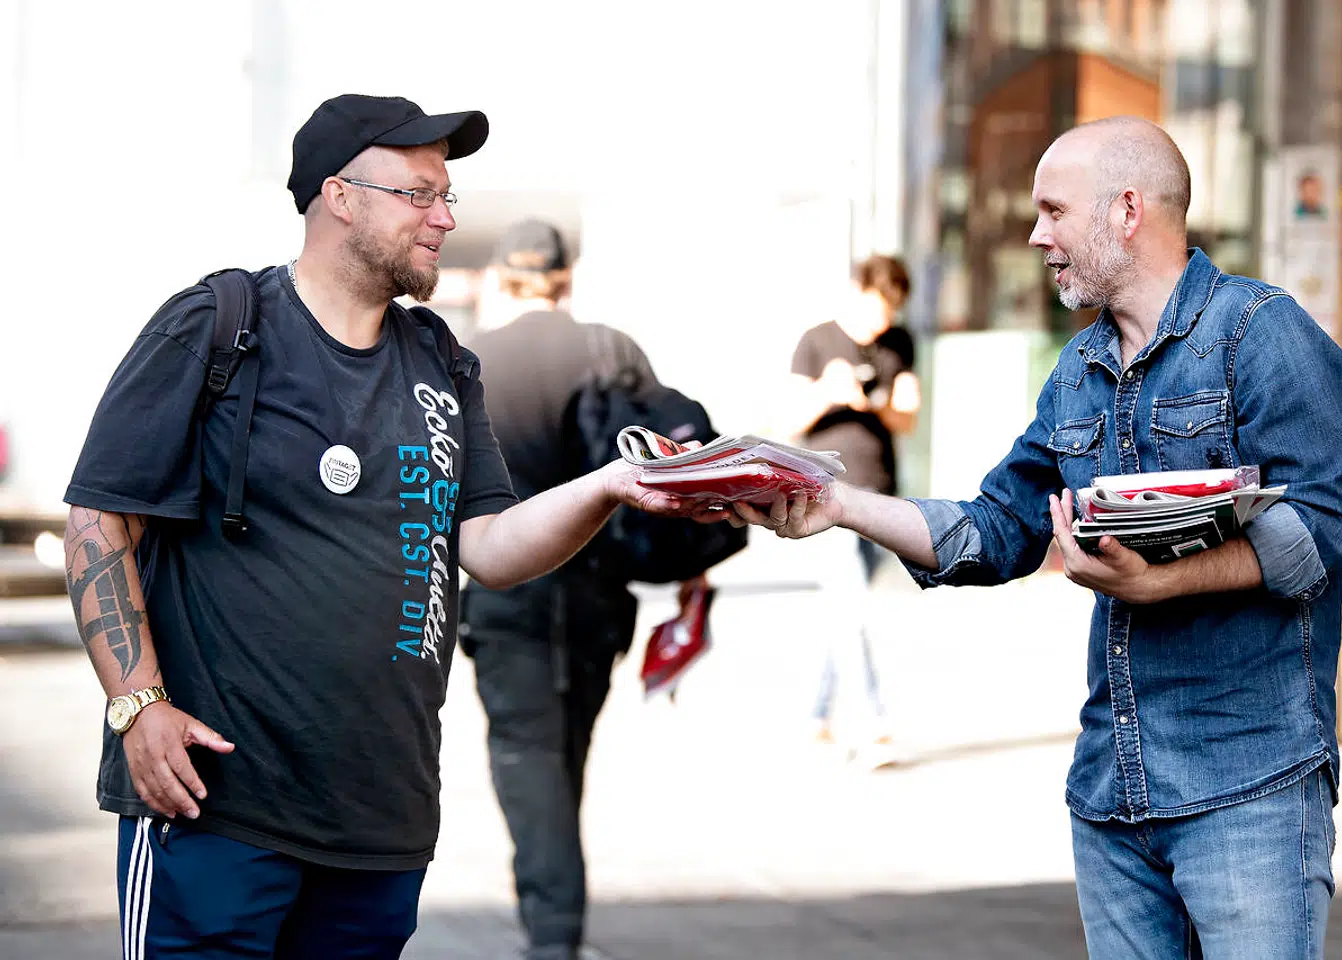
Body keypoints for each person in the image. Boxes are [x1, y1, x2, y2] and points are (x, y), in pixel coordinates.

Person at [61, 95, 696, 960]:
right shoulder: (217, 326)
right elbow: (100, 520)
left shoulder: (441, 360)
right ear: (341, 196)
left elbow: (490, 547)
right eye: (420, 193)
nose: (444, 217)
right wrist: (138, 708)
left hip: (379, 819)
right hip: (217, 806)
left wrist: (613, 485)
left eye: (448, 196)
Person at [717, 116, 1342, 958]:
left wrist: (1164, 581)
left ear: (1127, 210)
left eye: (1054, 210)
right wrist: (836, 506)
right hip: (1112, 796)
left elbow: (1325, 532)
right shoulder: (1076, 371)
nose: (1036, 234)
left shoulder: (1261, 333)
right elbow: (996, 530)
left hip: (1250, 790)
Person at [459, 220, 712, 960]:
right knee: (565, 752)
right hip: (600, 596)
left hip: (505, 593)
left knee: (527, 755)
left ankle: (552, 937)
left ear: (503, 280)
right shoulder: (609, 348)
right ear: (567, 280)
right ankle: (556, 923)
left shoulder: (470, 360)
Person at [787, 254, 920, 757]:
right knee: (850, 607)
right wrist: (829, 390)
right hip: (820, 494)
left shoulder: (898, 344)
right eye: (876, 309)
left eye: (891, 312)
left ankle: (814, 718)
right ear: (856, 292)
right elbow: (788, 418)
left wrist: (874, 403)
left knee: (841, 613)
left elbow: (908, 416)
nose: (881, 323)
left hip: (878, 493)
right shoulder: (816, 341)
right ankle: (873, 722)